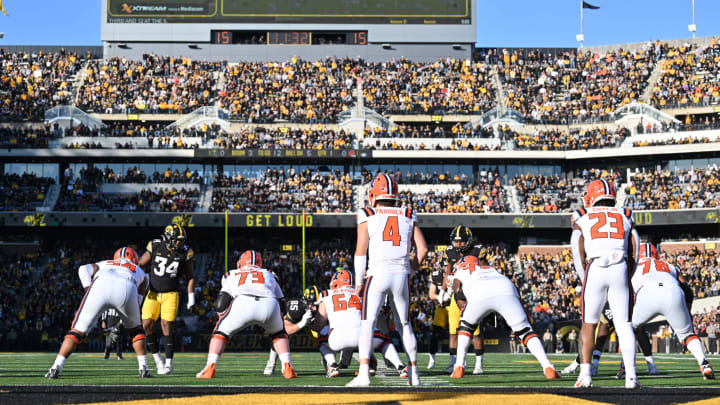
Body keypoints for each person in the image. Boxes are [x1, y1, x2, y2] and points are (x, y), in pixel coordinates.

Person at [347, 173, 428, 387]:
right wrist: (411, 267)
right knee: (404, 325)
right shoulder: (407, 212)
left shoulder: (367, 212)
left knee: (367, 324)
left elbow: (360, 251)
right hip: (401, 275)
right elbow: (423, 249)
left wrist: (358, 284)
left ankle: (364, 374)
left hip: (377, 273)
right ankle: (414, 374)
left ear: (374, 193)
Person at [570, 178, 640, 389]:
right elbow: (636, 248)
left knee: (589, 324)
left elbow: (577, 248)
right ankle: (632, 377)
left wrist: (584, 276)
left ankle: (585, 375)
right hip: (620, 267)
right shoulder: (626, 214)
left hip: (595, 267)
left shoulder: (581, 214)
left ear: (592, 195)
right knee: (624, 324)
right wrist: (630, 273)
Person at [45, 247, 151, 379]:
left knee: (76, 331)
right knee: (136, 331)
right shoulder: (141, 272)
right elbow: (139, 300)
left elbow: (83, 269)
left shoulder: (104, 263)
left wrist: (88, 290)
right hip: (127, 286)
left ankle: (56, 367)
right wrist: (128, 317)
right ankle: (144, 368)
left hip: (100, 283)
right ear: (134, 259)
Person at [449, 255, 560, 379]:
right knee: (526, 332)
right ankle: (547, 366)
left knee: (465, 327)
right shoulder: (491, 269)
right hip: (505, 287)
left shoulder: (460, 271)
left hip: (479, 291)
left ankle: (459, 366)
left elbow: (457, 292)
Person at [196, 250, 296, 379]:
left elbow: (221, 303)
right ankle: (287, 366)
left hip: (243, 302)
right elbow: (282, 302)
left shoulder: (232, 274)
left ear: (240, 264)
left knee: (220, 332)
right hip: (269, 303)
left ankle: (210, 366)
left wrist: (222, 317)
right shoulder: (269, 273)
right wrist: (278, 320)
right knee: (279, 334)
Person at [628, 242, 714, 380]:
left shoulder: (632, 266)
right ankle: (704, 363)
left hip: (647, 294)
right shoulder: (669, 265)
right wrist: (687, 310)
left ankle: (626, 368)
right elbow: (687, 290)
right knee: (688, 335)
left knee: (628, 328)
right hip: (674, 292)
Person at [314, 270, 408, 378]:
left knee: (321, 336)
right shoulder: (360, 292)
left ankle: (332, 365)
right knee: (383, 341)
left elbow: (318, 325)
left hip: (337, 338)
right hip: (363, 335)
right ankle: (400, 366)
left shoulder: (325, 294)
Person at [139, 223, 196, 375]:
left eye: (181, 240)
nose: (179, 242)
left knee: (167, 326)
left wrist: (191, 296)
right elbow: (140, 265)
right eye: (177, 239)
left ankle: (169, 364)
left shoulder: (186, 252)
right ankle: (158, 359)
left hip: (171, 294)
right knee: (146, 326)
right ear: (168, 238)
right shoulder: (156, 246)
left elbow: (190, 277)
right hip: (152, 293)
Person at [438, 225, 486, 374]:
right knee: (453, 331)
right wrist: (442, 290)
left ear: (468, 241)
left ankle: (479, 364)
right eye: (456, 241)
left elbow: (485, 270)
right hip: (456, 294)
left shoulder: (478, 250)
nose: (458, 244)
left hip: (472, 294)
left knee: (476, 331)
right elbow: (448, 272)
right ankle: (455, 364)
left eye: (461, 241)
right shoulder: (450, 251)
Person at [427, 257, 449, 369]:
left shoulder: (457, 274)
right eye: (444, 266)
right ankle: (432, 360)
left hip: (454, 306)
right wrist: (440, 297)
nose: (446, 268)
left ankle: (458, 361)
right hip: (442, 306)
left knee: (457, 333)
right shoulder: (436, 275)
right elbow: (431, 294)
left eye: (447, 265)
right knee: (435, 334)